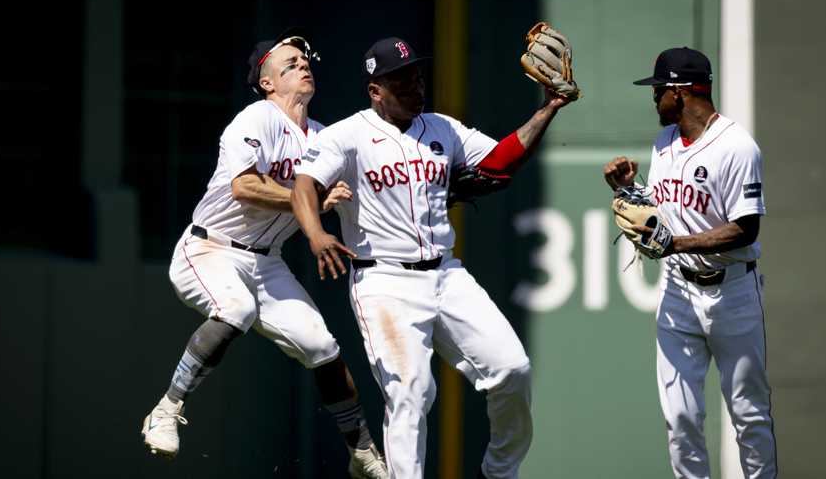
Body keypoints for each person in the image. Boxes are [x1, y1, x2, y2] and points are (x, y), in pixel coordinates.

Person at [290, 37, 573, 479]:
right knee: (411, 392)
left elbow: (498, 163)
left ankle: (499, 472)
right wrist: (315, 233)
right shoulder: (346, 136)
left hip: (446, 274)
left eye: (417, 76)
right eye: (401, 81)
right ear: (375, 90)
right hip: (384, 281)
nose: (415, 87)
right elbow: (304, 185)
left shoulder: (442, 127)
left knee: (512, 368)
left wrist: (549, 107)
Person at [140, 28, 388, 479]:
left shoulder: (323, 135)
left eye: (304, 61)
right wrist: (310, 198)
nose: (302, 66)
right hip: (210, 246)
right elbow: (244, 187)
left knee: (322, 346)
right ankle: (166, 408)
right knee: (235, 308)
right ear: (267, 82)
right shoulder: (257, 117)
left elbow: (368, 183)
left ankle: (362, 450)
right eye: (289, 64)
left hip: (266, 260)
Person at [603, 47, 777, 478]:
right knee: (680, 418)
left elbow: (745, 229)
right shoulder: (664, 142)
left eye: (659, 89)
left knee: (748, 414)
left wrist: (675, 244)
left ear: (680, 92)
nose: (654, 98)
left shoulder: (737, 147)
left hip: (733, 291)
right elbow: (665, 214)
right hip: (678, 290)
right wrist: (630, 191)